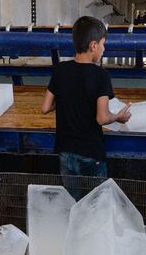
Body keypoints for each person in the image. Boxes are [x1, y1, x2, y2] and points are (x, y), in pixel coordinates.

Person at [40, 16, 131, 197]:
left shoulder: (60, 70)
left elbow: (45, 107)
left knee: (72, 203)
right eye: (103, 44)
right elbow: (102, 118)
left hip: (66, 151)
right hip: (91, 152)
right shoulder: (101, 75)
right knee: (96, 204)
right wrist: (118, 116)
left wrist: (69, 97)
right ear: (93, 45)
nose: (104, 49)